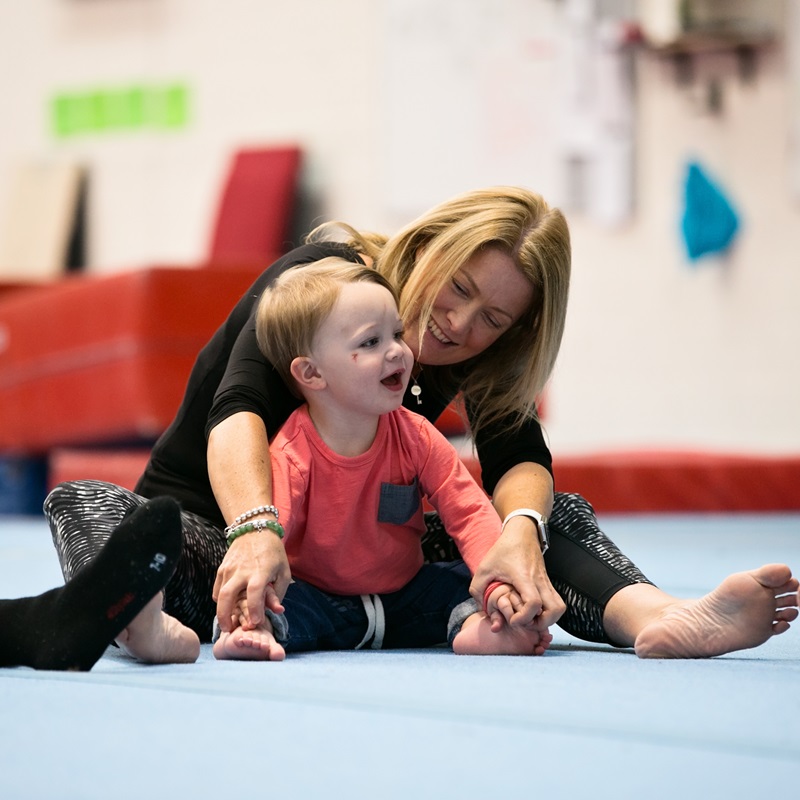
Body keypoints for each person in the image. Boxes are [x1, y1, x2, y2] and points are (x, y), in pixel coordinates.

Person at [43, 186, 799, 663]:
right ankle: (135, 619)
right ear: (430, 241)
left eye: (492, 318)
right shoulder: (323, 284)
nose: (458, 323)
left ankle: (663, 619)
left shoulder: (469, 353)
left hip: (368, 567)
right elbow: (234, 411)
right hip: (234, 555)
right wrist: (254, 528)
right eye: (459, 287)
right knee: (98, 507)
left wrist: (519, 534)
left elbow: (517, 457)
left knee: (543, 514)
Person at [212, 258, 551, 660]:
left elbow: (469, 512)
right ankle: (255, 631)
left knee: (462, 583)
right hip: (322, 601)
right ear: (312, 373)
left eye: (396, 333)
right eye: (370, 343)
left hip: (407, 596)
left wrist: (498, 585)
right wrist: (256, 598)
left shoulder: (416, 435)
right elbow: (272, 540)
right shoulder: (292, 452)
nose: (398, 352)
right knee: (277, 598)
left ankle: (481, 629)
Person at [0, 497, 182, 671]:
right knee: (75, 498)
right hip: (165, 543)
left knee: (155, 522)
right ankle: (131, 614)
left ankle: (125, 612)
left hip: (201, 545)